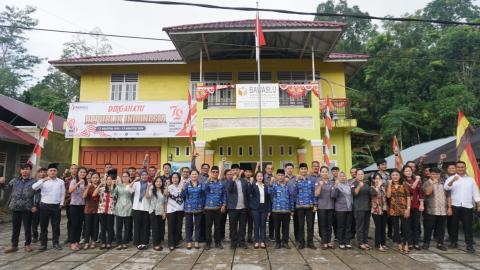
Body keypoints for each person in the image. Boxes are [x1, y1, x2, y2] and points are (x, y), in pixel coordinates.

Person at [444, 161, 480, 253]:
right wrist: (453, 180)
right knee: (453, 225)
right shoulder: (451, 178)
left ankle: (469, 245)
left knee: (467, 227)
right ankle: (453, 242)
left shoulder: (470, 179)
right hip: (454, 205)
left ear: (465, 168)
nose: (460, 168)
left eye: (462, 167)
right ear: (456, 168)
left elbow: (475, 193)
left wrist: (478, 204)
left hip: (467, 206)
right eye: (459, 167)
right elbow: (446, 188)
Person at [1, 163, 36, 253]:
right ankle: (14, 245)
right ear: (20, 171)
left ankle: (27, 244)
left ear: (30, 170)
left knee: (27, 227)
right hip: (15, 207)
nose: (25, 170)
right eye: (23, 169)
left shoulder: (34, 181)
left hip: (28, 207)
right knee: (15, 227)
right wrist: (2, 183)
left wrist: (35, 205)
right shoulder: (14, 180)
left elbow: (38, 195)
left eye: (27, 169)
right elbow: (6, 188)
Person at [32, 163, 65, 251]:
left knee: (56, 226)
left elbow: (62, 193)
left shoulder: (61, 181)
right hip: (44, 206)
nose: (52, 172)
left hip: (56, 206)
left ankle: (56, 243)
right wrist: (42, 180)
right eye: (51, 170)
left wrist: (61, 204)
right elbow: (34, 187)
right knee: (43, 226)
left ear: (57, 172)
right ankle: (43, 244)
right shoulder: (43, 181)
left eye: (54, 170)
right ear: (48, 172)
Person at [422, 167, 450, 251]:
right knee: (428, 227)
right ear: (429, 174)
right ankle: (426, 243)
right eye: (433, 174)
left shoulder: (443, 183)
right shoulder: (426, 183)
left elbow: (448, 196)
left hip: (443, 210)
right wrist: (433, 183)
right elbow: (427, 193)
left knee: (441, 228)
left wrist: (449, 207)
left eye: (437, 174)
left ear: (440, 174)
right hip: (431, 209)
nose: (435, 176)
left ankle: (440, 243)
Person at [386, 169, 411, 254]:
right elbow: (388, 196)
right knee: (395, 228)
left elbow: (408, 197)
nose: (395, 177)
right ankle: (399, 243)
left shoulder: (404, 184)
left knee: (405, 227)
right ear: (391, 177)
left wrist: (408, 208)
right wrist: (389, 184)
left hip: (404, 208)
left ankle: (406, 244)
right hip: (393, 209)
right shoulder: (389, 185)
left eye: (396, 175)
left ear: (400, 176)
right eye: (393, 175)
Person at [268, 169, 294, 249]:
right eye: (279, 175)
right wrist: (271, 183)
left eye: (282, 175)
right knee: (277, 227)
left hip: (286, 210)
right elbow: (269, 194)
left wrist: (292, 209)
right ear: (276, 176)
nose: (280, 177)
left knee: (286, 227)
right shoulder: (274, 186)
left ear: (284, 176)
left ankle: (285, 242)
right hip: (276, 210)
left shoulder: (288, 186)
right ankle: (278, 242)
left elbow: (291, 197)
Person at [203, 166, 227, 250]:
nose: (215, 173)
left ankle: (218, 242)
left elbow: (224, 195)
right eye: (213, 172)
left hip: (218, 208)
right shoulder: (207, 183)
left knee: (218, 226)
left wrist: (224, 205)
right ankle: (208, 243)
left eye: (217, 172)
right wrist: (208, 180)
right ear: (210, 173)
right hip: (208, 208)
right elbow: (203, 190)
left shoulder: (221, 183)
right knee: (208, 227)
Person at [294, 163, 316, 249]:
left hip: (310, 207)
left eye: (305, 168)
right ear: (299, 170)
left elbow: (314, 193)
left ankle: (310, 242)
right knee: (300, 225)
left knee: (310, 225)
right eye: (301, 169)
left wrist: (315, 204)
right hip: (300, 207)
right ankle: (301, 242)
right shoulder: (296, 180)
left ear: (307, 170)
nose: (303, 170)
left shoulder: (311, 180)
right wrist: (296, 181)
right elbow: (293, 192)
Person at [227, 164, 250, 249]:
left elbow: (247, 193)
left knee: (242, 226)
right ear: (231, 171)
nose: (235, 171)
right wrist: (233, 180)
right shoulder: (229, 180)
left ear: (239, 170)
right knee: (233, 226)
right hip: (233, 208)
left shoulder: (244, 181)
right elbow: (229, 190)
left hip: (243, 207)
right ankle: (233, 242)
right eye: (233, 170)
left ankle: (242, 242)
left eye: (237, 169)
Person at [402, 165, 424, 250]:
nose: (408, 172)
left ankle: (416, 243)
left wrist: (421, 204)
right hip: (406, 205)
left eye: (409, 170)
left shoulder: (416, 180)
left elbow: (421, 192)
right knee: (407, 225)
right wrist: (418, 179)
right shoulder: (402, 181)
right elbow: (411, 189)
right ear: (403, 172)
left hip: (416, 204)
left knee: (416, 224)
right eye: (406, 171)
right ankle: (409, 242)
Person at [130, 171, 151, 250]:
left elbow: (149, 197)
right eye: (142, 175)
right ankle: (137, 242)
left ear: (147, 176)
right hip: (136, 208)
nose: (144, 176)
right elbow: (129, 189)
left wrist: (148, 187)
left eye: (145, 175)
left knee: (145, 226)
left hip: (146, 208)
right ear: (140, 176)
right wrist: (134, 180)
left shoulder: (150, 184)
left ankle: (144, 242)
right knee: (137, 226)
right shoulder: (136, 184)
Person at [315, 166, 335, 249]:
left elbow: (334, 194)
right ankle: (324, 241)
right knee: (323, 225)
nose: (324, 173)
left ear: (328, 173)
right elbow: (316, 194)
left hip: (330, 206)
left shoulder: (331, 182)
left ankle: (329, 241)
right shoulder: (318, 182)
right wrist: (320, 186)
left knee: (329, 225)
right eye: (322, 171)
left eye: (326, 171)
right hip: (322, 207)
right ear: (320, 173)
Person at [112, 172, 133, 250]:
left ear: (129, 177)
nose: (125, 177)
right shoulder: (118, 186)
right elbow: (112, 195)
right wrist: (113, 185)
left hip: (128, 207)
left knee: (127, 227)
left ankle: (125, 242)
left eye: (126, 176)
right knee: (119, 227)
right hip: (119, 207)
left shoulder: (131, 186)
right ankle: (119, 242)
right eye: (123, 176)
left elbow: (133, 195)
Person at [332, 172, 353, 249]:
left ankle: (347, 241)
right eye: (340, 176)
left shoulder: (348, 185)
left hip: (349, 208)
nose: (342, 177)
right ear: (338, 177)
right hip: (340, 209)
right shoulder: (337, 186)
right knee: (341, 226)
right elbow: (333, 196)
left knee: (348, 226)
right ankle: (341, 242)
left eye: (344, 176)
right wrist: (336, 186)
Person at [248, 171, 269, 249]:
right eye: (258, 176)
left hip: (264, 208)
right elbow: (249, 192)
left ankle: (263, 241)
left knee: (263, 225)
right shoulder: (253, 185)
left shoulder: (265, 186)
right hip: (255, 208)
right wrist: (250, 183)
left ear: (263, 177)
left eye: (261, 176)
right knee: (256, 225)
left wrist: (269, 210)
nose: (260, 177)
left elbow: (268, 198)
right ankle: (256, 241)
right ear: (256, 177)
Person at [183, 170, 204, 249]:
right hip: (188, 207)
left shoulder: (201, 184)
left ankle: (196, 241)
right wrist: (183, 189)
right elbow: (183, 195)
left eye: (195, 174)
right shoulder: (187, 184)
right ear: (190, 175)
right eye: (192, 174)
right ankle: (189, 241)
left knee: (198, 225)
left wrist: (203, 205)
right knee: (188, 225)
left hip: (199, 207)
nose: (194, 175)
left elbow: (203, 194)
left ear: (198, 175)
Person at [68, 167, 87, 251]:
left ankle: (77, 242)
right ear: (78, 173)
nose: (82, 174)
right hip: (74, 206)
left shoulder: (86, 182)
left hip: (82, 205)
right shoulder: (73, 181)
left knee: (80, 225)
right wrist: (78, 182)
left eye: (84, 172)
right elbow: (70, 190)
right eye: (81, 172)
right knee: (74, 225)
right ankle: (72, 243)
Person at [351, 169, 371, 250]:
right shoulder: (353, 183)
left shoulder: (367, 183)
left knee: (366, 226)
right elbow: (355, 193)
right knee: (360, 226)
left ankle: (365, 241)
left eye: (362, 174)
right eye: (359, 174)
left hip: (367, 207)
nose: (360, 175)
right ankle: (360, 242)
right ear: (356, 175)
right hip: (358, 208)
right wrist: (359, 185)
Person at [95, 175, 116, 249]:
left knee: (110, 227)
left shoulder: (115, 189)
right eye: (107, 179)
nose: (109, 181)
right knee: (103, 227)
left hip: (110, 211)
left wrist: (113, 186)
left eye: (110, 179)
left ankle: (109, 242)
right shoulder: (102, 189)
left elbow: (114, 196)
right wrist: (100, 185)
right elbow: (94, 194)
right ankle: (103, 242)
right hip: (101, 210)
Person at [164, 172, 185, 251]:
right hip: (171, 210)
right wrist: (167, 185)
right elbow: (165, 194)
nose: (175, 179)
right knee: (171, 227)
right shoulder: (169, 187)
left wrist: (183, 188)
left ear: (179, 178)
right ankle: (171, 244)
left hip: (180, 209)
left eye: (176, 177)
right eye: (173, 177)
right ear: (171, 179)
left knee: (178, 227)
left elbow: (184, 196)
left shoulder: (181, 187)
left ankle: (176, 242)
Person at [370, 173, 388, 251]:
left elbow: (386, 197)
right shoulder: (371, 187)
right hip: (376, 210)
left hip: (384, 209)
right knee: (378, 226)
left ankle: (383, 243)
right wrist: (378, 186)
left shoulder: (383, 187)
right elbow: (373, 194)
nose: (378, 180)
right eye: (376, 179)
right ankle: (378, 244)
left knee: (383, 227)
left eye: (379, 179)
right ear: (373, 180)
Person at [83, 172, 100, 249]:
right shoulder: (88, 186)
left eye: (96, 177)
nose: (95, 179)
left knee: (95, 226)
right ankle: (86, 241)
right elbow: (84, 196)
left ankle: (94, 241)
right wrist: (87, 187)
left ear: (99, 178)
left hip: (97, 209)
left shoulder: (101, 187)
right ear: (91, 179)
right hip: (88, 209)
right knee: (87, 226)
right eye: (94, 178)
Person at [147, 176, 166, 251]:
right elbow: (147, 197)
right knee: (155, 228)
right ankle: (156, 245)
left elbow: (165, 202)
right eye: (157, 181)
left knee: (161, 228)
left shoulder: (163, 190)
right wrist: (148, 188)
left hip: (161, 212)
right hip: (153, 211)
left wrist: (165, 212)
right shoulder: (152, 190)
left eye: (160, 181)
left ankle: (158, 242)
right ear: (154, 183)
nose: (158, 183)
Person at [32, 167, 47, 243]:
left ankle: (43, 236)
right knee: (35, 222)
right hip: (36, 204)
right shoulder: (34, 182)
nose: (43, 173)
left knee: (44, 222)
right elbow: (32, 194)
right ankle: (35, 236)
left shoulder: (49, 182)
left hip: (46, 204)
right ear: (38, 173)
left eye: (44, 172)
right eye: (41, 172)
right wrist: (33, 205)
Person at [263, 163, 275, 241]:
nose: (270, 170)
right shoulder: (262, 177)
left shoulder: (275, 178)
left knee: (272, 220)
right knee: (263, 219)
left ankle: (271, 235)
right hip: (264, 200)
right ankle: (262, 235)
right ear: (265, 169)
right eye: (268, 168)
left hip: (273, 201)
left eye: (271, 168)